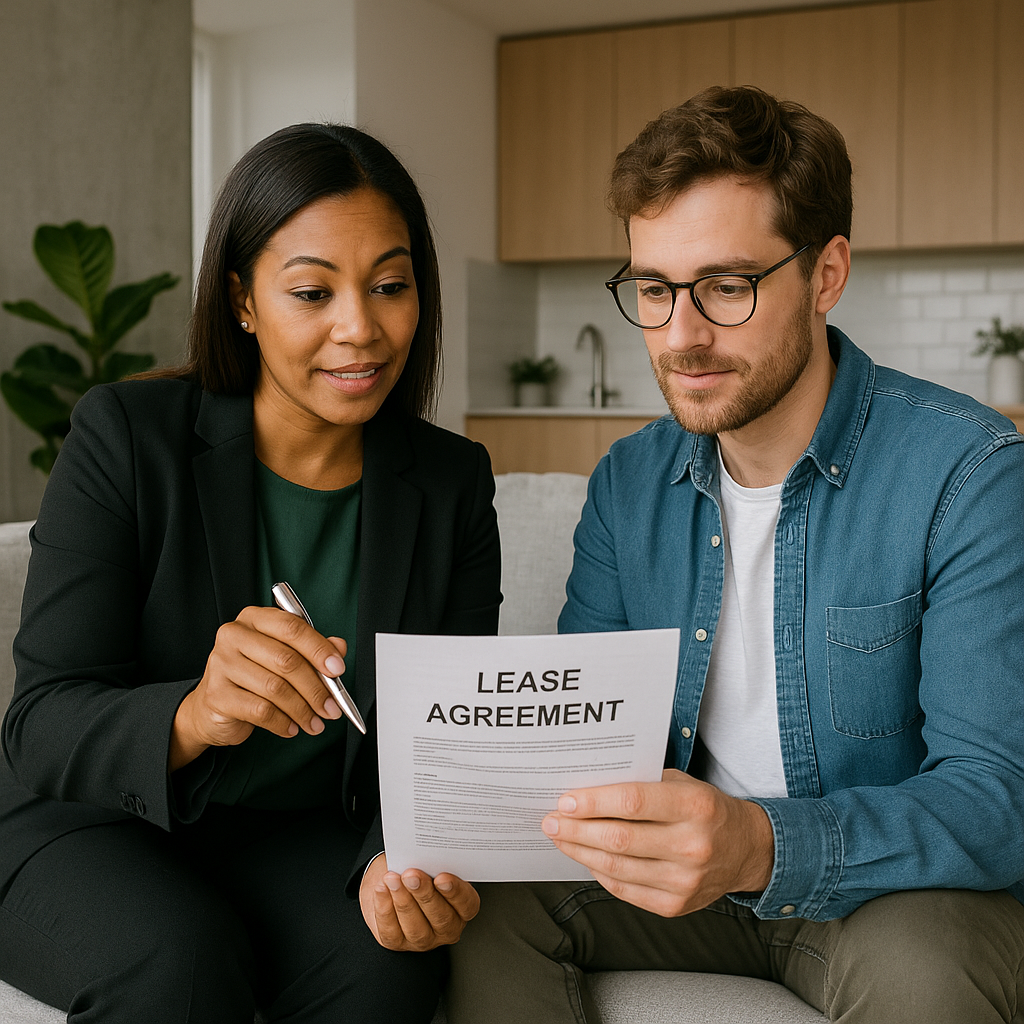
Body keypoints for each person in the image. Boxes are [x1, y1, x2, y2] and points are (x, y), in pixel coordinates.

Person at [446, 86, 1024, 1023]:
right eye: (654, 289)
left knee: (926, 972)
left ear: (826, 273)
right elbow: (583, 741)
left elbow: (998, 799)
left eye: (726, 286)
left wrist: (760, 844)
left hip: (890, 897)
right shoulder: (630, 482)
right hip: (686, 888)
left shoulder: (970, 474)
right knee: (478, 911)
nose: (681, 336)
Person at [0, 123, 499, 1023]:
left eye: (390, 285)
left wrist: (402, 857)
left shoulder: (452, 482)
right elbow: (39, 723)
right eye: (312, 291)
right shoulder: (125, 436)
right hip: (92, 823)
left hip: (294, 839)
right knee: (179, 961)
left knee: (384, 973)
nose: (361, 329)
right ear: (241, 300)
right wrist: (193, 714)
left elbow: (442, 738)